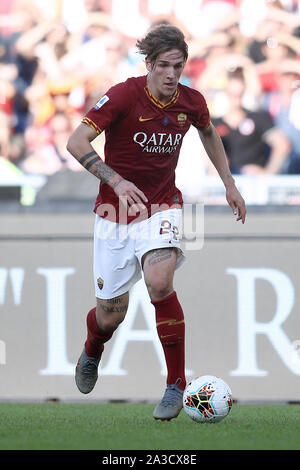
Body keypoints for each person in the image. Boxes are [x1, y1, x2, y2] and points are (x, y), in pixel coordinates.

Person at [66, 24, 246, 421]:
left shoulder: (191, 101)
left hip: (163, 206)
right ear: (148, 64)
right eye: (163, 65)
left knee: (161, 282)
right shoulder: (123, 95)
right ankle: (94, 346)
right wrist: (115, 179)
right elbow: (76, 142)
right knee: (110, 314)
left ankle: (176, 384)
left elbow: (208, 132)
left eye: (177, 67)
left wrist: (229, 183)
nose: (170, 74)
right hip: (114, 213)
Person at [211, 68, 290, 175]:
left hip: (254, 183)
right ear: (225, 93)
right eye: (232, 94)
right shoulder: (213, 123)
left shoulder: (258, 118)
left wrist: (268, 173)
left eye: (239, 94)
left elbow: (282, 145)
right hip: (226, 182)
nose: (236, 98)